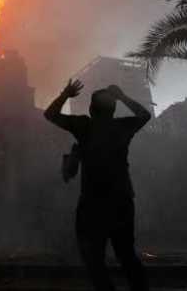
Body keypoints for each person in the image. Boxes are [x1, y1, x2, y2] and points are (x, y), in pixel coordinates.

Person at [44, 79, 151, 291]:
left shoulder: (84, 126)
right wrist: (122, 96)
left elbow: (50, 115)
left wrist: (66, 94)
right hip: (121, 200)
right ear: (113, 110)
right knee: (126, 255)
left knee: (93, 259)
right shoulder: (122, 127)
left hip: (93, 203)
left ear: (92, 109)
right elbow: (145, 115)